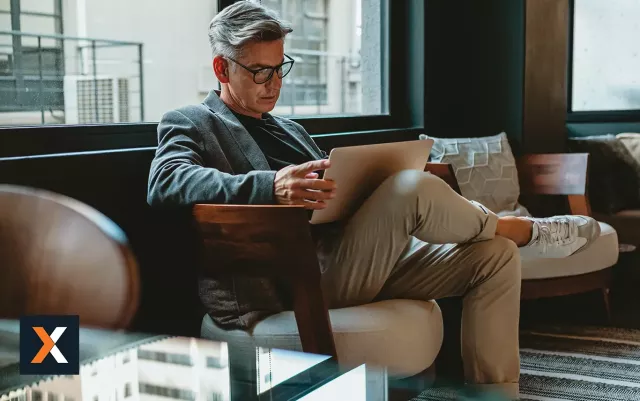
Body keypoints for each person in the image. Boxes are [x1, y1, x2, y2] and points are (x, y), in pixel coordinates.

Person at [146, 1, 600, 399]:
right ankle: (521, 228)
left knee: (495, 257)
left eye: (280, 67)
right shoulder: (192, 122)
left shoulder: (290, 129)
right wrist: (271, 186)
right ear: (222, 69)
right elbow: (166, 182)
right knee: (412, 189)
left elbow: (335, 197)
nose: (273, 83)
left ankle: (495, 395)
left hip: (355, 259)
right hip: (294, 278)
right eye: (259, 70)